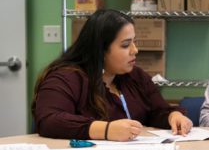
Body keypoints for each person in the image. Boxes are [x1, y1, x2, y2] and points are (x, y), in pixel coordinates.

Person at [32, 9, 192, 141]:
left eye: (134, 42)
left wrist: (174, 116)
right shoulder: (65, 78)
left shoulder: (135, 76)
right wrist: (107, 130)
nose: (135, 50)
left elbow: (157, 111)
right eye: (125, 45)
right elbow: (49, 120)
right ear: (100, 50)